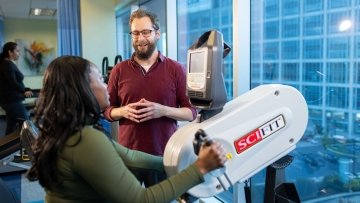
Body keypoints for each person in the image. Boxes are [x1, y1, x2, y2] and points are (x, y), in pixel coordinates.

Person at [26, 55, 226, 203]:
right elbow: (141, 200)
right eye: (100, 79)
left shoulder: (65, 130)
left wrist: (174, 162)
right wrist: (200, 168)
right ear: (82, 88)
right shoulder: (84, 139)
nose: (106, 86)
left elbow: (129, 155)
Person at [104, 9, 197, 186]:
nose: (140, 39)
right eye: (135, 33)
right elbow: (107, 111)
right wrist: (123, 111)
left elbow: (191, 112)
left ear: (157, 34)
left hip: (164, 155)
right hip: (128, 156)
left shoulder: (175, 69)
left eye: (146, 32)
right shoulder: (119, 70)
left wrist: (162, 110)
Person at [0, 42, 33, 135]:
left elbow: (15, 82)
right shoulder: (7, 65)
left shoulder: (8, 64)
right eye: (17, 51)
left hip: (9, 100)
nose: (19, 53)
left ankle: (6, 148)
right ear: (10, 52)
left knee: (11, 127)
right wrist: (24, 90)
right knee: (27, 124)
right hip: (11, 101)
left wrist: (25, 89)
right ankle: (33, 148)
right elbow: (13, 83)